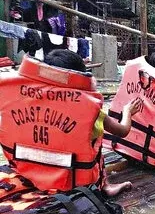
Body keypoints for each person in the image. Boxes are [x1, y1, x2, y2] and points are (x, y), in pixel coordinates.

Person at [0, 50, 139, 196]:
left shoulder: (15, 97)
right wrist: (128, 111)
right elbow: (123, 130)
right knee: (95, 140)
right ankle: (105, 186)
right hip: (73, 183)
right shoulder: (90, 109)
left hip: (26, 172)